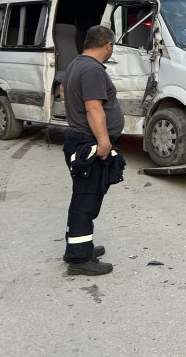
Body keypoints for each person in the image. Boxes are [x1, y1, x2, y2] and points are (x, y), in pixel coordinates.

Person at [62, 25, 125, 276]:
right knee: (85, 201)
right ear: (108, 45)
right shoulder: (91, 69)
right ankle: (79, 259)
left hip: (80, 138)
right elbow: (93, 108)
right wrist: (104, 142)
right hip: (89, 141)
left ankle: (80, 246)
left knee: (85, 197)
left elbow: (64, 92)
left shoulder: (76, 64)